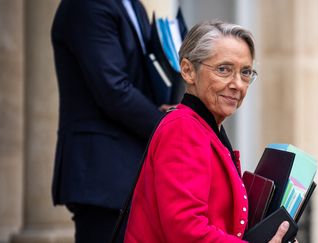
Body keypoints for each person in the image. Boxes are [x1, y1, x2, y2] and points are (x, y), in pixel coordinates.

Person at [124, 20, 294, 243]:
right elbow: (186, 231)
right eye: (223, 69)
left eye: (245, 73)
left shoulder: (206, 128)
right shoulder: (183, 129)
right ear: (188, 71)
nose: (237, 84)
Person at [50, 0, 170, 242]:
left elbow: (143, 77)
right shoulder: (86, 6)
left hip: (131, 170)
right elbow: (113, 90)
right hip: (102, 172)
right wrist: (168, 126)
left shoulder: (134, 6)